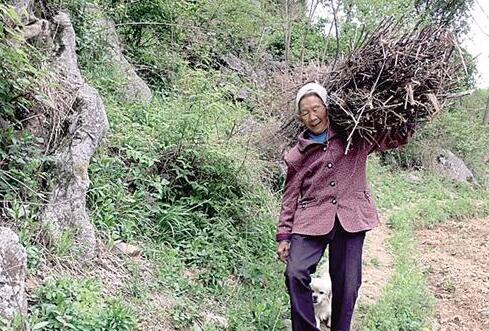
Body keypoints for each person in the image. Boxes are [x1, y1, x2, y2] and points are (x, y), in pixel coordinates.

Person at [276, 82, 415, 331]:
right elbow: (289, 197)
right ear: (300, 116)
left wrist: (412, 111)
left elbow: (392, 139)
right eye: (305, 112)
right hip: (311, 219)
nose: (312, 116)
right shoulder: (297, 155)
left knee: (348, 285)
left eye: (316, 108)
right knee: (295, 272)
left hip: (351, 218)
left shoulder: (353, 137)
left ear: (326, 108)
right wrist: (284, 235)